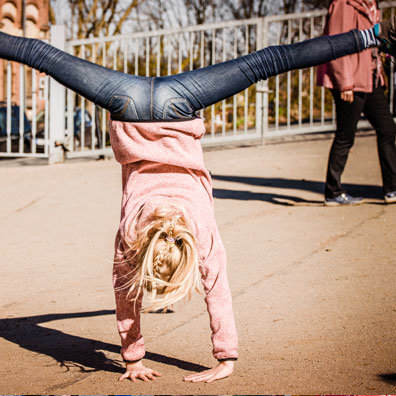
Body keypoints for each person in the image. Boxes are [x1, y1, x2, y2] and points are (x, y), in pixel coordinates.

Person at [0, 19, 395, 382]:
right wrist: (131, 357)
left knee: (271, 61)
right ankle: (372, 34)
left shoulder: (198, 233)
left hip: (177, 101)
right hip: (128, 102)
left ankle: (369, 34)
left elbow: (216, 289)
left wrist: (227, 358)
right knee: (40, 54)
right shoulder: (130, 236)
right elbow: (125, 297)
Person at [317, 0, 396, 206]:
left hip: (370, 79)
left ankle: (392, 188)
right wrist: (345, 83)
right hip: (350, 80)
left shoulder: (371, 5)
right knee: (345, 135)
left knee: (388, 129)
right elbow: (336, 44)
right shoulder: (345, 4)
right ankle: (333, 191)